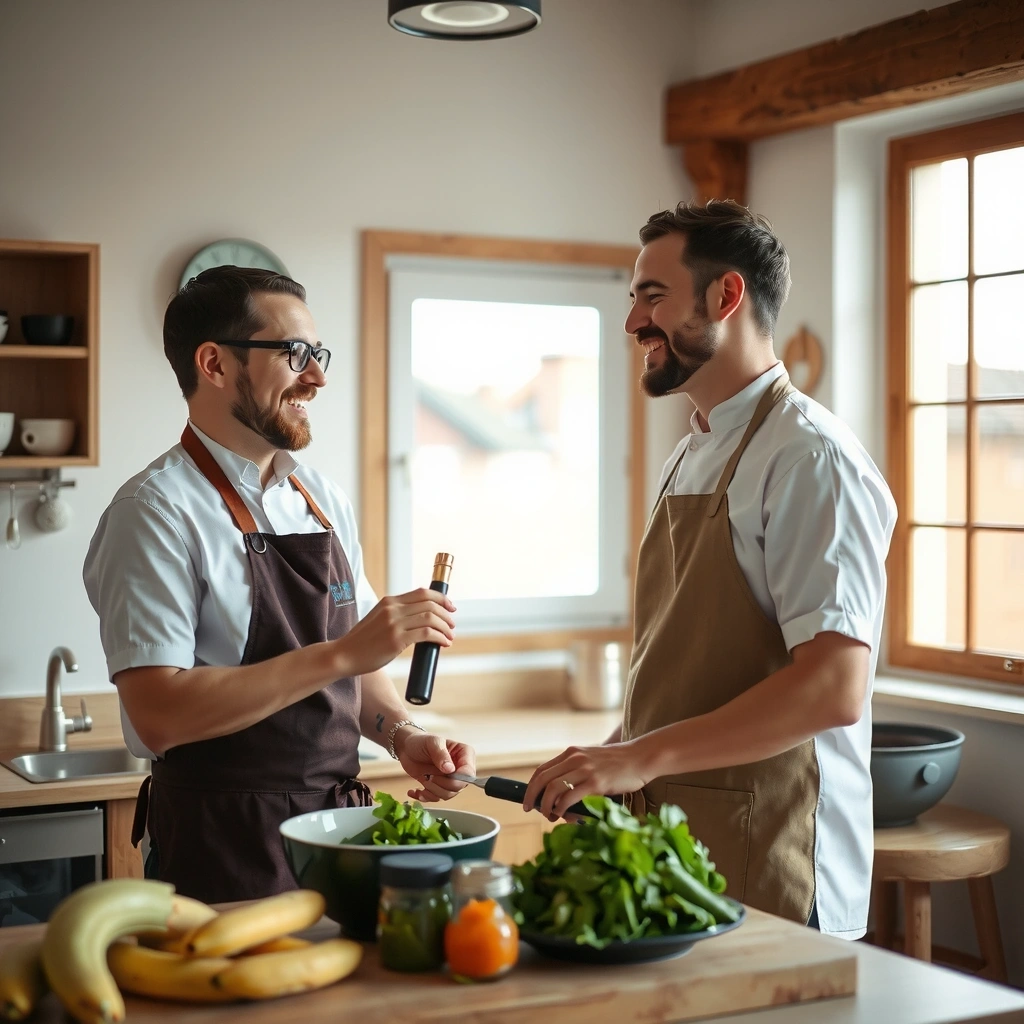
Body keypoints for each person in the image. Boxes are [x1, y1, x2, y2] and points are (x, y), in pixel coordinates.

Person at [523, 200, 896, 939]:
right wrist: (608, 753)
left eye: (651, 296)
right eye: (633, 299)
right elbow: (688, 657)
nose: (633, 322)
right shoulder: (694, 448)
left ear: (725, 296)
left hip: (777, 855)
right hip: (684, 846)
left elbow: (832, 687)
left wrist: (642, 757)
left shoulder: (808, 457)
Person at [84, 266, 475, 904]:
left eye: (317, 354)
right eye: (294, 354)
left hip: (341, 834)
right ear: (213, 362)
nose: (317, 377)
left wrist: (405, 736)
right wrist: (344, 654)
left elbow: (356, 672)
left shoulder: (320, 498)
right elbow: (159, 714)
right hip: (222, 847)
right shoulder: (153, 514)